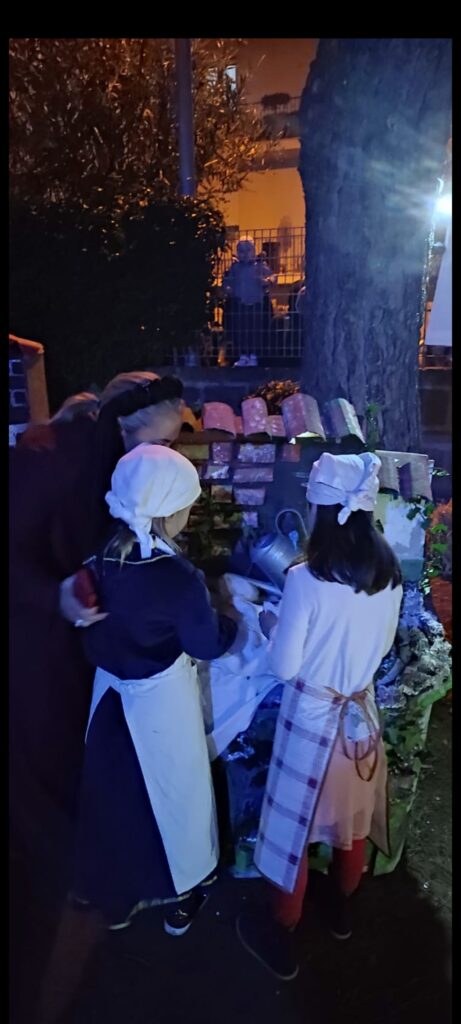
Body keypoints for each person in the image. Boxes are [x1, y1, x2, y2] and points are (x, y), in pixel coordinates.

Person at [9, 373, 185, 1022]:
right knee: (45, 772)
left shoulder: (113, 462)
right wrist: (52, 594)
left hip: (82, 645)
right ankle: (54, 932)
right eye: (156, 448)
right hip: (35, 647)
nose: (160, 460)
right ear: (122, 429)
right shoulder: (47, 458)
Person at [236, 452, 403, 981]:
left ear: (320, 509)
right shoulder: (389, 572)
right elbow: (379, 647)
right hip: (358, 715)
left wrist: (270, 625)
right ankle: (341, 913)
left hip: (312, 720)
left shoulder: (305, 579)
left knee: (293, 833)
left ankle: (282, 930)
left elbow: (285, 667)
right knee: (349, 824)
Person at [68, 444, 237, 935]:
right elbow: (206, 644)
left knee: (116, 798)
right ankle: (185, 892)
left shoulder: (100, 553)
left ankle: (114, 897)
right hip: (160, 701)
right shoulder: (177, 578)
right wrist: (229, 618)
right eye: (188, 505)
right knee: (178, 799)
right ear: (170, 512)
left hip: (108, 697)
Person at [223, 238, 276, 356]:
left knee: (255, 330)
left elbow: (273, 277)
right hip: (240, 305)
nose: (245, 254)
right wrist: (228, 289)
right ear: (237, 253)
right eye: (241, 251)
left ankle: (253, 354)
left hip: (256, 304)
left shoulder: (259, 266)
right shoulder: (235, 268)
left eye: (248, 250)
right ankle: (242, 355)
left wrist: (267, 281)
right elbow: (227, 281)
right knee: (241, 330)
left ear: (254, 251)